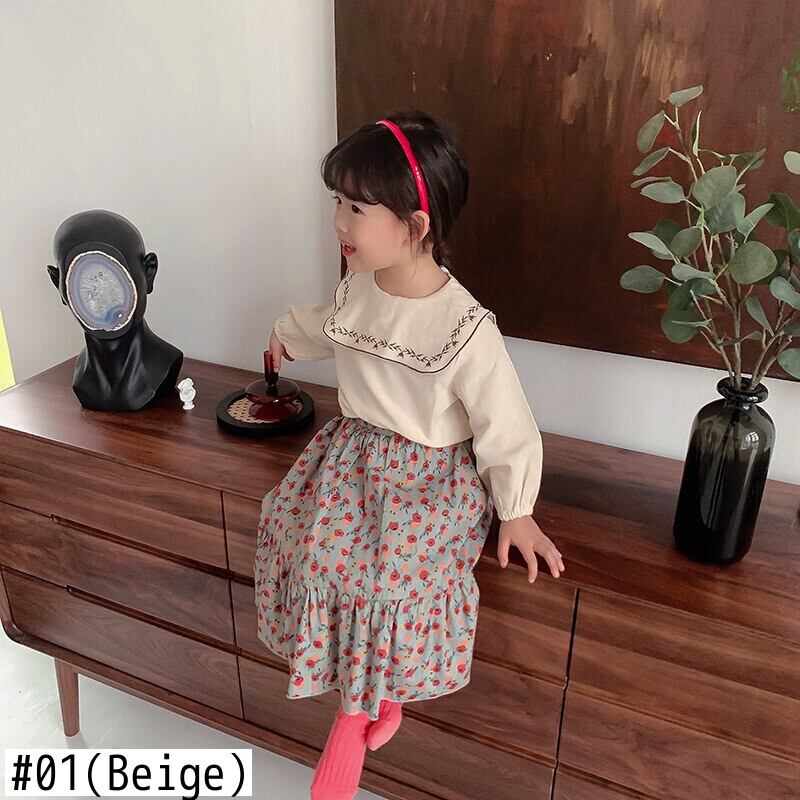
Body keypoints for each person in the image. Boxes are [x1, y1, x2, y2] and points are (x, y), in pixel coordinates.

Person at [254, 109, 565, 800]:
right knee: (301, 541)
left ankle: (360, 713)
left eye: (356, 208)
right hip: (352, 460)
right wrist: (285, 334)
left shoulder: (465, 327)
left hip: (428, 479)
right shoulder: (359, 287)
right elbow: (335, 329)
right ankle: (366, 694)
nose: (338, 221)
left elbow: (507, 423)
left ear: (414, 226)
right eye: (337, 201)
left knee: (383, 577)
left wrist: (516, 510)